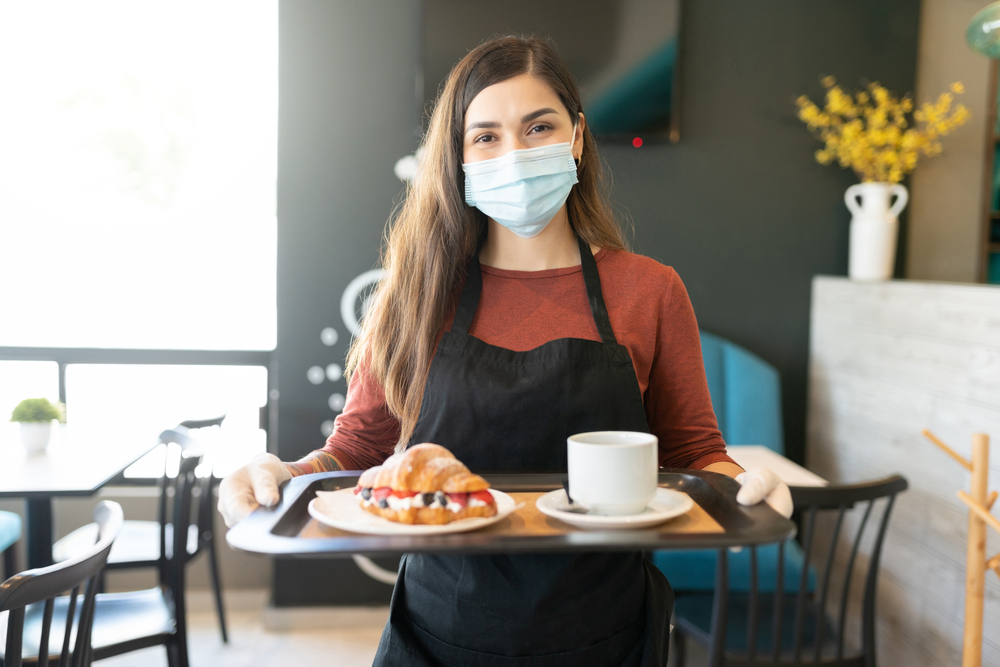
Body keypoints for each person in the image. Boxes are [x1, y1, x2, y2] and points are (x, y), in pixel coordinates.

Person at [219, 35, 792, 667]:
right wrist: (281, 477)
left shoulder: (650, 290)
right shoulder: (415, 293)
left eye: (538, 127)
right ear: (459, 157)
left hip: (605, 637)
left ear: (576, 137)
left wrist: (748, 490)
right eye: (486, 136)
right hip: (439, 637)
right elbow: (356, 451)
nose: (514, 154)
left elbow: (694, 456)